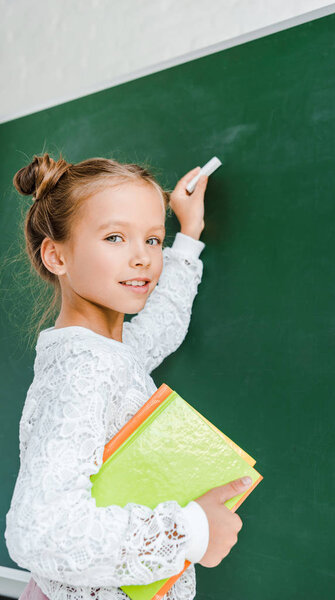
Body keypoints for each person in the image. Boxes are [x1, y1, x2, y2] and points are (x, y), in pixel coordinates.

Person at [4, 153, 253, 600]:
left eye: (153, 240)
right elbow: (40, 531)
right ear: (55, 254)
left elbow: (162, 327)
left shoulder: (105, 351)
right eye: (116, 237)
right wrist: (194, 531)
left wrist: (188, 234)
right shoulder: (87, 367)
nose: (142, 258)